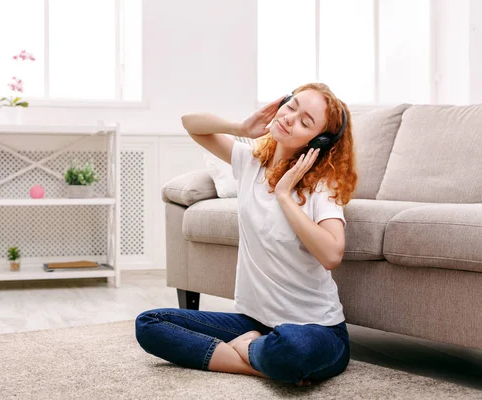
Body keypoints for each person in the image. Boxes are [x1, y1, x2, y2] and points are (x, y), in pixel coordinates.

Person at [135, 83, 358, 386]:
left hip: (316, 329)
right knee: (150, 324)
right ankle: (255, 359)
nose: (290, 118)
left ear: (317, 141)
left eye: (305, 122)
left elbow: (332, 254)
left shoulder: (322, 186)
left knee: (291, 348)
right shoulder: (251, 161)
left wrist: (283, 194)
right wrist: (240, 127)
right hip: (253, 323)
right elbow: (191, 124)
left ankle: (256, 352)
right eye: (291, 107)